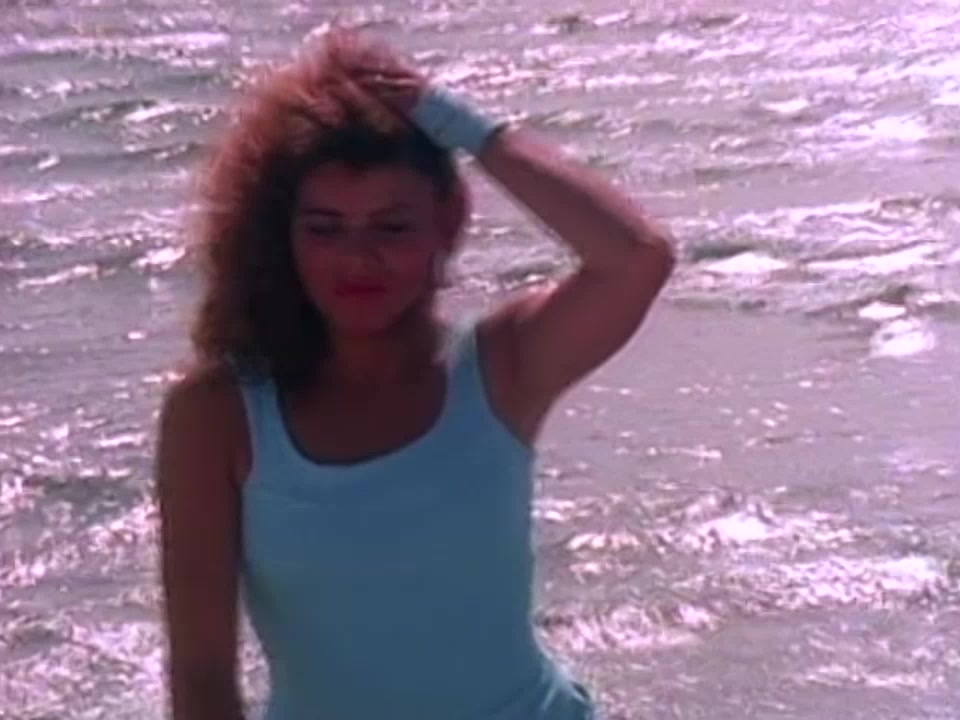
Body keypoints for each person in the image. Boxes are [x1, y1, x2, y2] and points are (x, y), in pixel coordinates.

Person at [154, 29, 675, 720]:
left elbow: (637, 257)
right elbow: (201, 675)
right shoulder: (219, 415)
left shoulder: (500, 370)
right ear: (282, 235)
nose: (358, 259)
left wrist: (456, 122)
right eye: (325, 228)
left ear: (445, 223)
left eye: (392, 227)